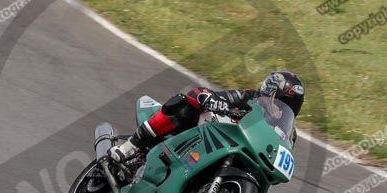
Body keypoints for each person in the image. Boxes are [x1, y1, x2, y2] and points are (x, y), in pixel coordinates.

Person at [109, 70, 304, 164]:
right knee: (184, 104)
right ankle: (131, 146)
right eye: (281, 102)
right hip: (205, 138)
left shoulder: (288, 134)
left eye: (290, 106)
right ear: (270, 94)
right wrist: (212, 101)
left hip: (236, 156)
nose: (283, 109)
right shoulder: (248, 97)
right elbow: (200, 94)